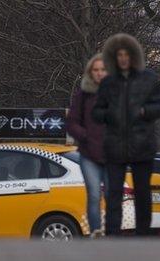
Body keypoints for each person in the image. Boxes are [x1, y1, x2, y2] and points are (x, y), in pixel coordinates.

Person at [92, 33, 160, 236]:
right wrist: (109, 114)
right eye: (119, 55)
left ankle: (142, 237)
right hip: (115, 147)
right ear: (115, 58)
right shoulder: (108, 82)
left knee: (143, 194)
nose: (123, 58)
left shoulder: (149, 79)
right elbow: (96, 112)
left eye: (127, 54)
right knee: (113, 194)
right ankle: (113, 237)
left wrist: (144, 111)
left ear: (133, 56)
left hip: (142, 145)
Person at [67, 53, 108, 238]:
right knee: (93, 195)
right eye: (96, 70)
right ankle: (95, 231)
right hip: (89, 154)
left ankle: (114, 232)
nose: (99, 73)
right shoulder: (83, 95)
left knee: (112, 196)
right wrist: (86, 136)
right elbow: (72, 122)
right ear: (91, 72)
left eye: (103, 70)